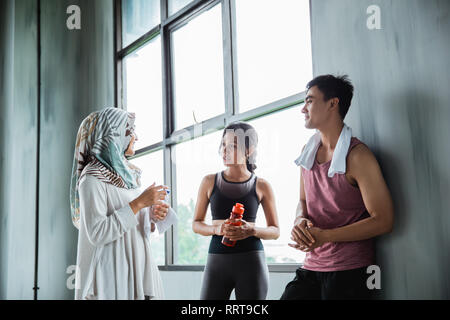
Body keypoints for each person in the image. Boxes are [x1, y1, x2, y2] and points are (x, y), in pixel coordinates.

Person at [281, 75, 394, 300]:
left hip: (351, 272)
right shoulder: (307, 151)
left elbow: (383, 220)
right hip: (311, 267)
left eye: (309, 101)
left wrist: (326, 236)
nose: (303, 109)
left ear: (333, 103)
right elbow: (303, 201)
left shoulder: (358, 156)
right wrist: (299, 221)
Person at [70, 107, 170, 300]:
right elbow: (97, 233)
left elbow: (133, 223)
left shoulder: (130, 175)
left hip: (139, 263)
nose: (136, 137)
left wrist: (151, 214)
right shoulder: (92, 178)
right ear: (111, 134)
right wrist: (139, 203)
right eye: (130, 131)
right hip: (112, 272)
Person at [193, 122, 280, 300]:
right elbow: (196, 224)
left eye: (232, 146)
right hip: (216, 262)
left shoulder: (262, 185)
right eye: (223, 145)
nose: (224, 151)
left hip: (252, 263)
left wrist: (252, 230)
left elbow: (275, 231)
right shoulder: (209, 181)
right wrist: (217, 229)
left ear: (249, 150)